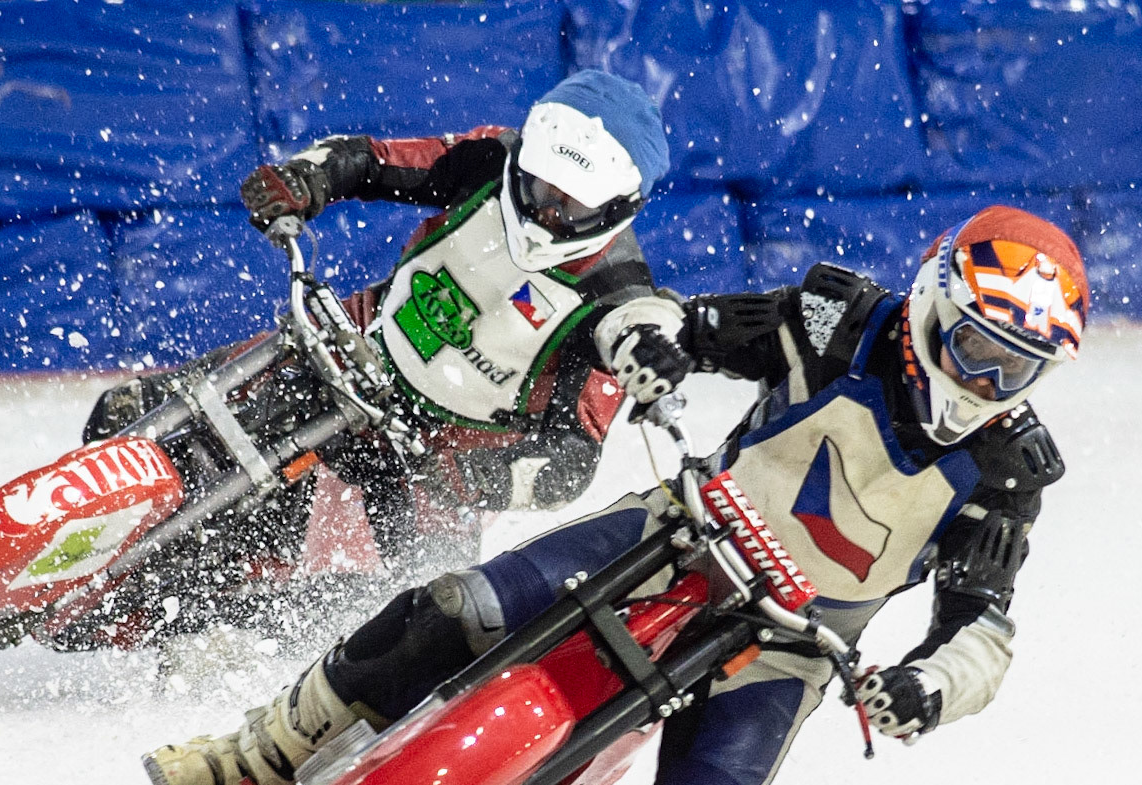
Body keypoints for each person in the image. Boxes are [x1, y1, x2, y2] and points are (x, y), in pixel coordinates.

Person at [142, 204, 1087, 785]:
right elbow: (691, 326)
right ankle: (254, 757)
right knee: (451, 606)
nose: (986, 384)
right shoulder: (832, 318)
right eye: (976, 349)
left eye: (1018, 371)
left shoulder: (1011, 474)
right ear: (931, 301)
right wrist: (651, 342)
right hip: (677, 534)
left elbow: (984, 625)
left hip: (787, 653)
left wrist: (927, 687)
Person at [69, 69, 689, 650]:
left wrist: (465, 476)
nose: (545, 209)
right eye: (540, 183)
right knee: (131, 407)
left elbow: (572, 462)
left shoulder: (615, 293)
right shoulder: (491, 159)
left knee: (399, 624)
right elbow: (372, 160)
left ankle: (201, 631)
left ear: (614, 209)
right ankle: (71, 542)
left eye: (570, 204)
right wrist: (308, 181)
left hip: (429, 457)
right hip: (346, 347)